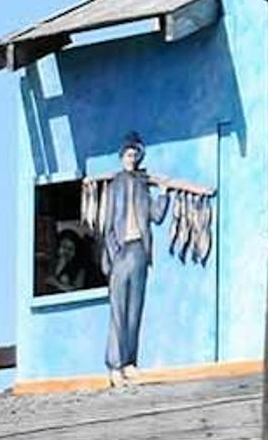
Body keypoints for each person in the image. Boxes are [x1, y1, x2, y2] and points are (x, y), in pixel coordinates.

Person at [84, 139, 215, 377]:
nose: (131, 158)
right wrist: (113, 251)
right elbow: (108, 222)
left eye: (135, 155)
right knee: (118, 310)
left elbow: (156, 216)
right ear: (122, 157)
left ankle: (129, 362)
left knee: (135, 308)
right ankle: (114, 364)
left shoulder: (144, 184)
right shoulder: (115, 185)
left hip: (139, 252)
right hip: (121, 251)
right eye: (128, 155)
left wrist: (163, 193)